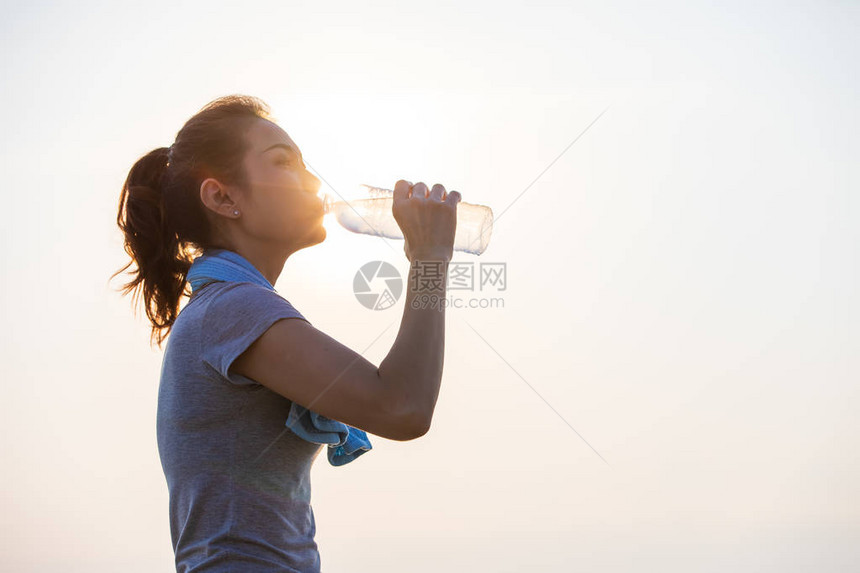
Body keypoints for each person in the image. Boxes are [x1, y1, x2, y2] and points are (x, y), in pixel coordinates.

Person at [112, 94, 461, 572]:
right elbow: (403, 407)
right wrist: (429, 259)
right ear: (222, 197)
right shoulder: (232, 308)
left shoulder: (226, 305)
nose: (313, 180)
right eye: (283, 162)